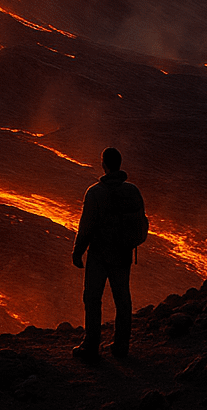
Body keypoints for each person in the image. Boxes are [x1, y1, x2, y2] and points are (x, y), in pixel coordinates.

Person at [70, 147, 145, 361]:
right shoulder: (133, 191)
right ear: (119, 164)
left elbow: (86, 227)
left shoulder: (95, 192)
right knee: (123, 299)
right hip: (123, 254)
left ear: (103, 164)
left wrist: (77, 253)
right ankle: (121, 346)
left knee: (93, 298)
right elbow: (141, 221)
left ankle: (91, 346)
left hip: (99, 254)